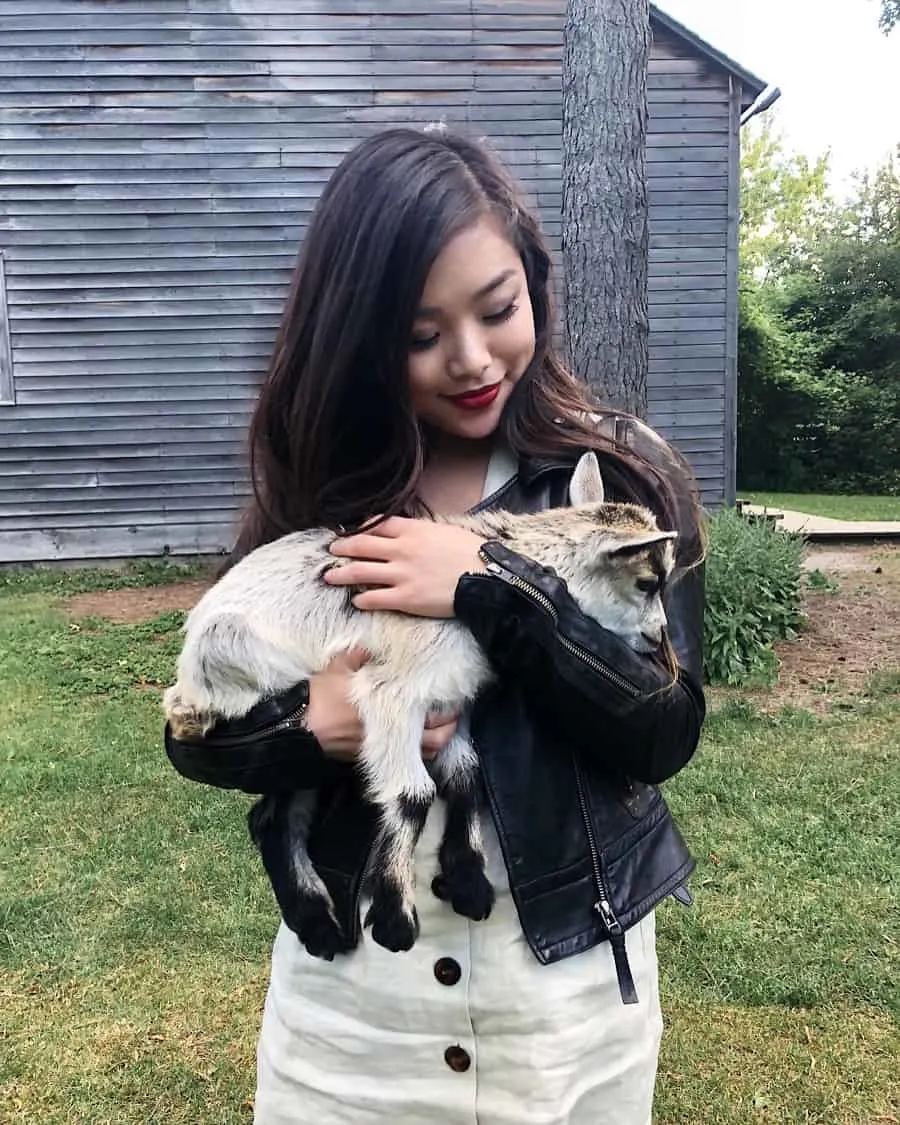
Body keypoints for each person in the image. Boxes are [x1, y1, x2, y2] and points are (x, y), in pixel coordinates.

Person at [165, 126, 706, 1125]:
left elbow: (666, 728)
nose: (471, 358)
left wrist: (490, 585)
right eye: (419, 335)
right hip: (359, 1010)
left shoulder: (625, 479)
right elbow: (196, 734)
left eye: (498, 309)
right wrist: (307, 726)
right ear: (361, 334)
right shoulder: (325, 487)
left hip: (568, 1007)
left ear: (533, 281)